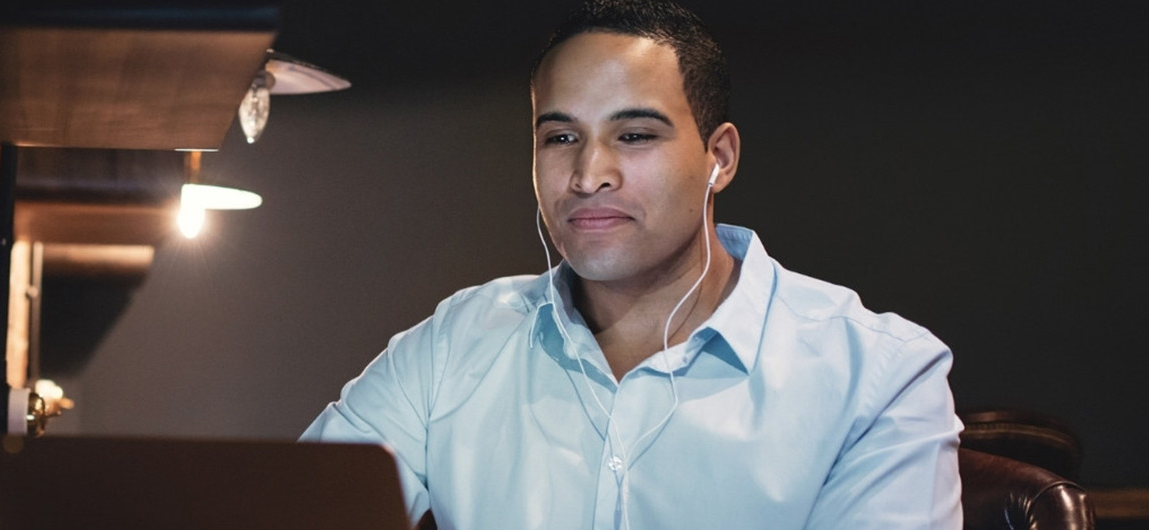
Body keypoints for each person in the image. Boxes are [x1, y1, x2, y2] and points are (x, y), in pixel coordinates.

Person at [299, 1, 963, 528]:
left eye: (635, 135)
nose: (589, 175)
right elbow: (288, 508)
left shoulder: (877, 378)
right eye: (561, 137)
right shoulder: (454, 347)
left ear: (719, 158)